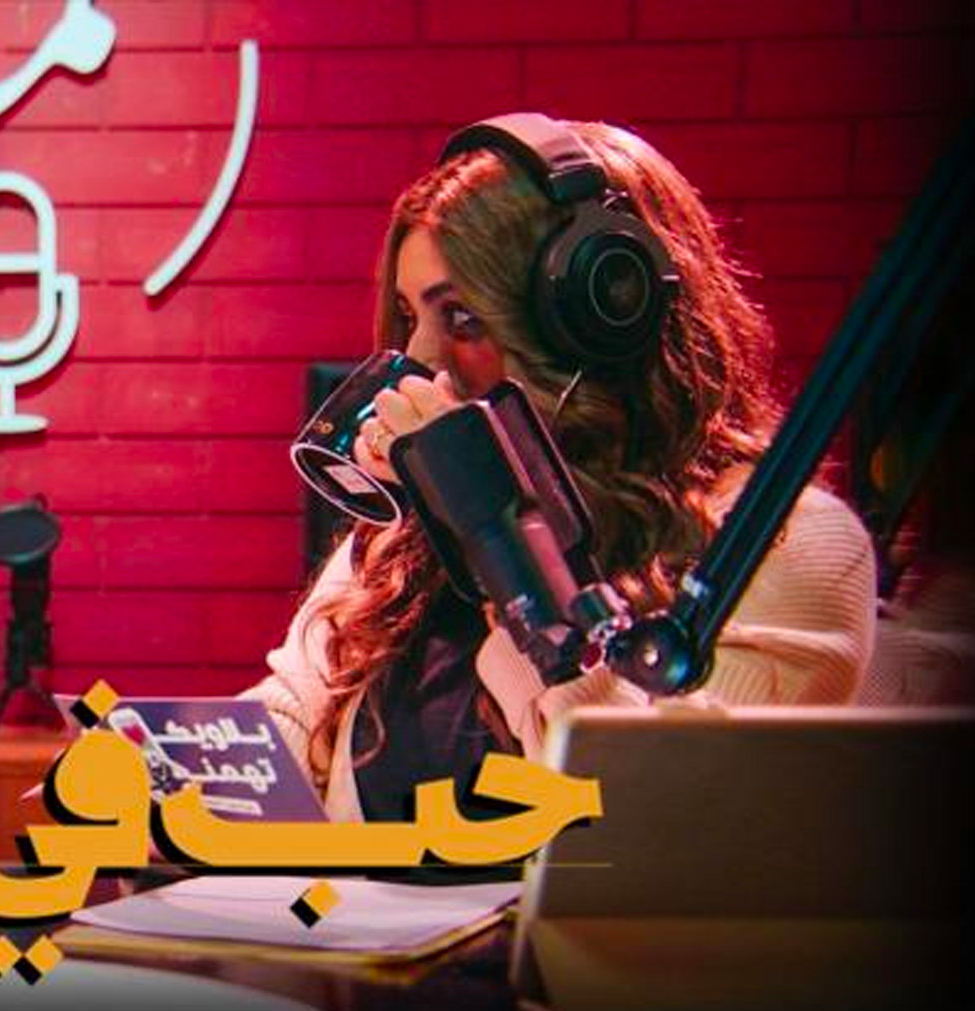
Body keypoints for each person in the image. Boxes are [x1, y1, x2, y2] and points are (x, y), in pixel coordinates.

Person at [248, 116, 877, 824]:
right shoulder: (402, 547)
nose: (418, 361)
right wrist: (166, 770)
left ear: (597, 321)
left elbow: (650, 814)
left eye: (462, 318)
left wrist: (501, 539)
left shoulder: (781, 542)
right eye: (409, 316)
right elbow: (285, 730)